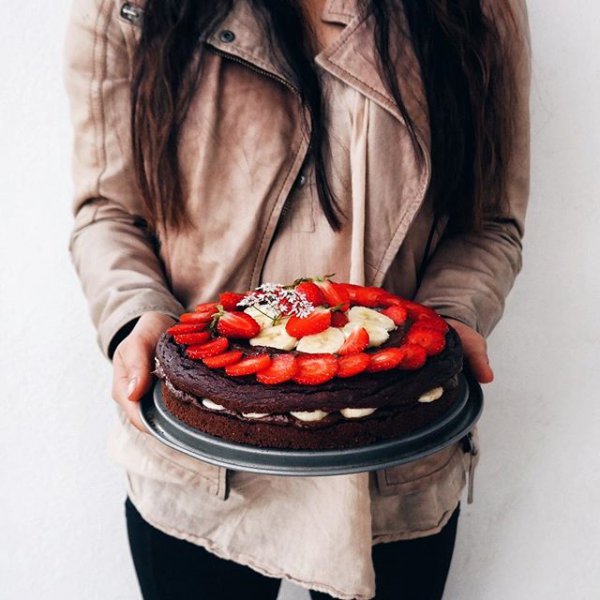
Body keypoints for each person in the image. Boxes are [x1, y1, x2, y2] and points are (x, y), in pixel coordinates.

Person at [64, 0, 531, 598]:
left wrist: (443, 322)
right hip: (198, 457)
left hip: (393, 450)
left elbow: (488, 221)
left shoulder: (479, 11)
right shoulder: (129, 9)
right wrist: (136, 318)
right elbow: (107, 212)